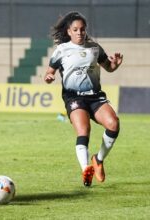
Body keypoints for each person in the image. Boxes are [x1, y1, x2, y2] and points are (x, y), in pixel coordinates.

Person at [44, 12, 123, 187]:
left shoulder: (95, 48)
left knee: (114, 124)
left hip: (95, 96)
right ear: (69, 31)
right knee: (83, 130)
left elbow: (108, 67)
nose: (80, 32)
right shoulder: (61, 50)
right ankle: (86, 169)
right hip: (73, 97)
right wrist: (49, 77)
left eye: (82, 29)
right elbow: (49, 72)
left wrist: (115, 65)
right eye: (75, 29)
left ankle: (98, 159)